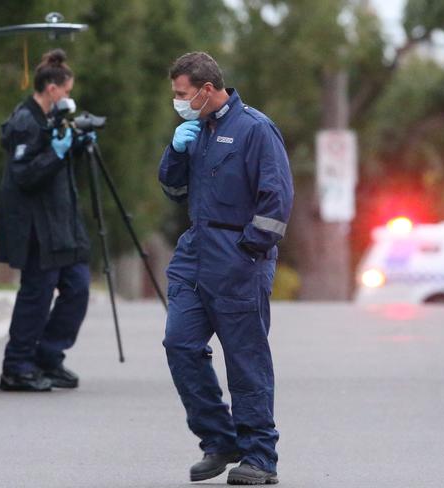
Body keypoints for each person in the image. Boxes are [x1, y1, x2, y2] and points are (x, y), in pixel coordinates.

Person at [159, 52, 294, 485]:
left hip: (238, 258)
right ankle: (220, 438)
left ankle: (260, 458)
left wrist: (248, 250)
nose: (178, 102)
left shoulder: (255, 130)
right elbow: (174, 189)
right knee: (179, 344)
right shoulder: (195, 130)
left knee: (245, 360)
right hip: (195, 252)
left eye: (182, 94)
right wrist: (175, 150)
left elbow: (276, 200)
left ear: (207, 89)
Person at [0, 49, 91, 392]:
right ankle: (17, 366)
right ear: (52, 88)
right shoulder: (25, 121)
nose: (68, 97)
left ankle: (47, 356)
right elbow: (25, 175)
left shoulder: (50, 119)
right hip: (36, 227)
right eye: (66, 91)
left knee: (78, 286)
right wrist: (58, 152)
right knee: (36, 294)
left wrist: (76, 145)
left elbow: (54, 164)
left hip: (61, 224)